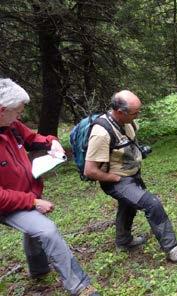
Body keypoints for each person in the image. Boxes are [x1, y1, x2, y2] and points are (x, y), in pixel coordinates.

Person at [0, 79, 98, 296]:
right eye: (18, 111)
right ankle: (79, 286)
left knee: (34, 228)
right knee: (48, 231)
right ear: (2, 110)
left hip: (25, 195)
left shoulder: (12, 126)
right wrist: (33, 202)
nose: (21, 115)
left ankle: (38, 270)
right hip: (8, 202)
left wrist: (50, 142)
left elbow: (33, 138)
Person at [83, 90, 177, 264]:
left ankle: (124, 241)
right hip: (117, 180)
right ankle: (172, 248)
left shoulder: (127, 122)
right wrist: (115, 179)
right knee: (152, 204)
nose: (138, 115)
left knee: (129, 206)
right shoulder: (101, 134)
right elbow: (90, 171)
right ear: (120, 112)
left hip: (131, 174)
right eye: (135, 113)